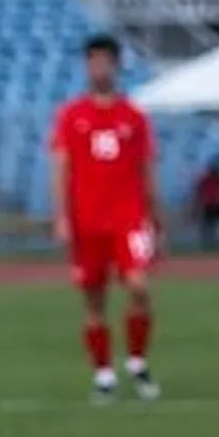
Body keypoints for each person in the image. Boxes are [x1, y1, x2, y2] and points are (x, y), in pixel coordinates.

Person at [50, 33, 163, 403]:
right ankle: (103, 374)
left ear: (116, 66)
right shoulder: (72, 115)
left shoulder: (133, 116)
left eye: (105, 61)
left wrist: (155, 215)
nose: (99, 68)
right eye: (93, 61)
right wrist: (62, 216)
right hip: (87, 220)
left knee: (138, 286)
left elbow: (146, 169)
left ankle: (137, 361)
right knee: (94, 300)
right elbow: (61, 168)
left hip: (129, 217)